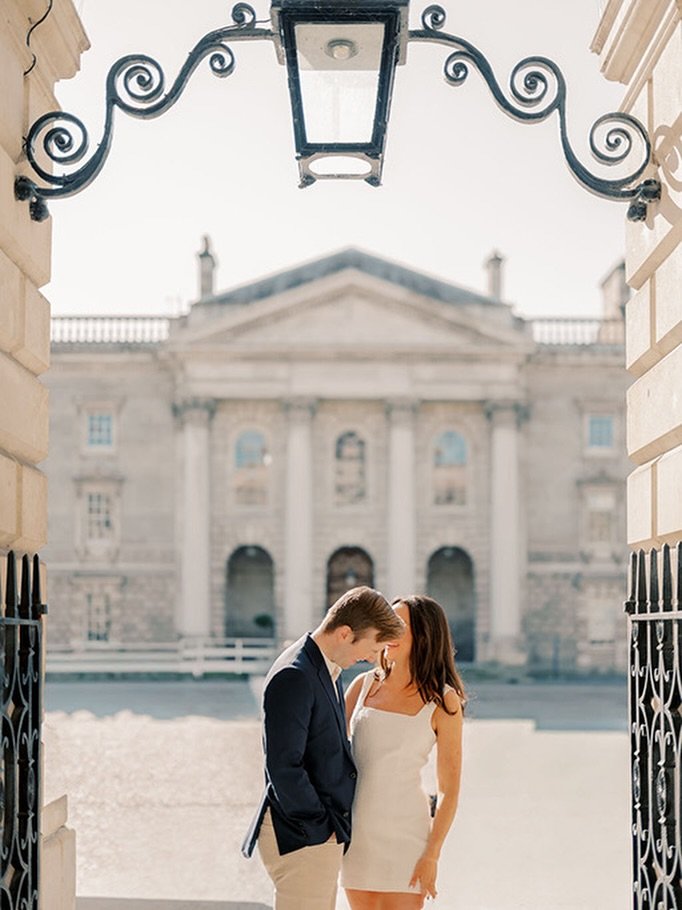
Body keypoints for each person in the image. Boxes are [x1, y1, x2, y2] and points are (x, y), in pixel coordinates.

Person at [241, 586, 405, 910]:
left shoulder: (327, 666)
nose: (372, 659)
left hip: (313, 834)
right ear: (345, 633)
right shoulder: (295, 675)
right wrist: (321, 827)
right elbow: (284, 767)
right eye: (372, 648)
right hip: (302, 836)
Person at [341, 595, 466, 910]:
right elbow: (327, 756)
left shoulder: (443, 701)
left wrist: (432, 855)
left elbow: (449, 790)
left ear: (424, 635)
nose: (386, 633)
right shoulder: (362, 686)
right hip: (357, 834)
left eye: (397, 626)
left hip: (407, 838)